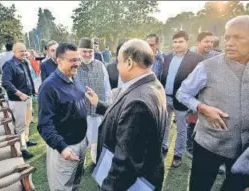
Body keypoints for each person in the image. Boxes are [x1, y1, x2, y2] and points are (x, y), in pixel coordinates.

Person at [176, 15, 249, 191]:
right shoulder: (208, 66)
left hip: (245, 150)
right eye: (227, 37)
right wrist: (202, 107)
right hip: (208, 143)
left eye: (238, 37)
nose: (229, 43)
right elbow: (183, 93)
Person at [85, 39, 167, 191]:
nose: (116, 66)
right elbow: (124, 117)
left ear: (129, 62)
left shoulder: (138, 103)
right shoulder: (151, 83)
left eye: (118, 62)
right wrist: (99, 104)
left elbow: (125, 166)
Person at [38, 43, 88, 191]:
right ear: (59, 61)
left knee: (75, 184)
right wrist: (62, 148)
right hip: (64, 149)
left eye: (78, 59)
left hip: (81, 142)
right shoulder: (48, 87)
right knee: (62, 188)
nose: (77, 64)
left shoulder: (74, 77)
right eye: (72, 60)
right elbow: (44, 124)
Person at [160, 31, 203, 168]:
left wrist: (192, 103)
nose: (177, 45)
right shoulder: (167, 57)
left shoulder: (196, 59)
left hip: (182, 100)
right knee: (164, 125)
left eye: (180, 42)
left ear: (187, 42)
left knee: (181, 129)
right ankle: (163, 146)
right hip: (165, 98)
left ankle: (178, 154)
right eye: (175, 42)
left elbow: (198, 83)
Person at [76, 37, 111, 168]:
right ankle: (80, 163)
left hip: (97, 112)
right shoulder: (74, 66)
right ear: (79, 51)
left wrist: (105, 104)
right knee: (80, 141)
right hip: (80, 112)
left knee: (96, 140)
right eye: (84, 51)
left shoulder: (100, 65)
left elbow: (107, 87)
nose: (87, 54)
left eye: (90, 51)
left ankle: (95, 163)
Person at [2, 42, 37, 159]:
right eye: (20, 51)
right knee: (20, 125)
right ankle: (22, 149)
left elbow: (29, 78)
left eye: (24, 50)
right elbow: (6, 83)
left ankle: (25, 141)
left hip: (28, 97)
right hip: (17, 100)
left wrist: (33, 90)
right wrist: (19, 94)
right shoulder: (9, 65)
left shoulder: (25, 62)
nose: (23, 53)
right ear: (14, 52)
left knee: (27, 122)